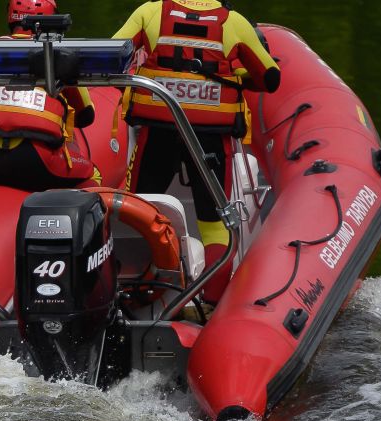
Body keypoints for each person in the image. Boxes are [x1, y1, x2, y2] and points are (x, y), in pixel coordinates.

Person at [113, 0, 280, 303]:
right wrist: (236, 74)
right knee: (215, 222)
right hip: (210, 137)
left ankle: (133, 295)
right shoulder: (233, 22)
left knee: (137, 211)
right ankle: (212, 303)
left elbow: (111, 56)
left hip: (158, 128)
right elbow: (270, 78)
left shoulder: (150, 12)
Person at [0, 0, 99, 207]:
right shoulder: (59, 53)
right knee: (91, 175)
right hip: (35, 160)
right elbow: (87, 115)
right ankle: (85, 234)